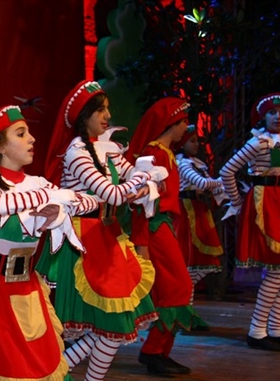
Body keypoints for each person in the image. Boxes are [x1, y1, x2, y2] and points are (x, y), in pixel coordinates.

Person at [0, 105, 99, 380]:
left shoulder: (36, 182)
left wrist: (61, 202)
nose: (31, 139)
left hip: (28, 286)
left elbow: (89, 201)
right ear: (0, 148)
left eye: (29, 132)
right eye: (21, 134)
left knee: (40, 363)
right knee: (5, 366)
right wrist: (53, 199)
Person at [39, 80, 163, 380]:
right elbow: (114, 194)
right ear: (84, 116)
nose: (107, 115)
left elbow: (138, 175)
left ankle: (57, 372)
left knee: (114, 327)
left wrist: (141, 181)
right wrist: (141, 183)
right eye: (100, 110)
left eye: (107, 109)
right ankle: (58, 373)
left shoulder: (105, 147)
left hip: (107, 234)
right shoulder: (76, 152)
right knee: (112, 327)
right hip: (85, 239)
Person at [126, 97, 204, 375]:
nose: (187, 127)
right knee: (178, 287)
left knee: (175, 289)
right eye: (184, 122)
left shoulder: (167, 153)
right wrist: (142, 242)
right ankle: (153, 351)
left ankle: (159, 351)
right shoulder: (154, 153)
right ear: (173, 122)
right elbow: (140, 204)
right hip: (154, 228)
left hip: (164, 227)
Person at [219, 92, 280, 352]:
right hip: (264, 202)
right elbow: (227, 170)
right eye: (273, 112)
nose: (278, 117)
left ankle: (275, 328)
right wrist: (238, 202)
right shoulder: (259, 143)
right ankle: (257, 330)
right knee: (277, 269)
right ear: (264, 116)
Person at [173, 125, 225, 307]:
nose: (196, 145)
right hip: (187, 212)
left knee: (195, 267)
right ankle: (182, 309)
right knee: (187, 262)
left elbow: (210, 186)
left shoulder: (196, 163)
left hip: (199, 210)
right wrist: (224, 178)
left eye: (197, 141)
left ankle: (188, 308)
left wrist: (225, 188)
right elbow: (201, 183)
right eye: (192, 141)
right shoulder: (181, 163)